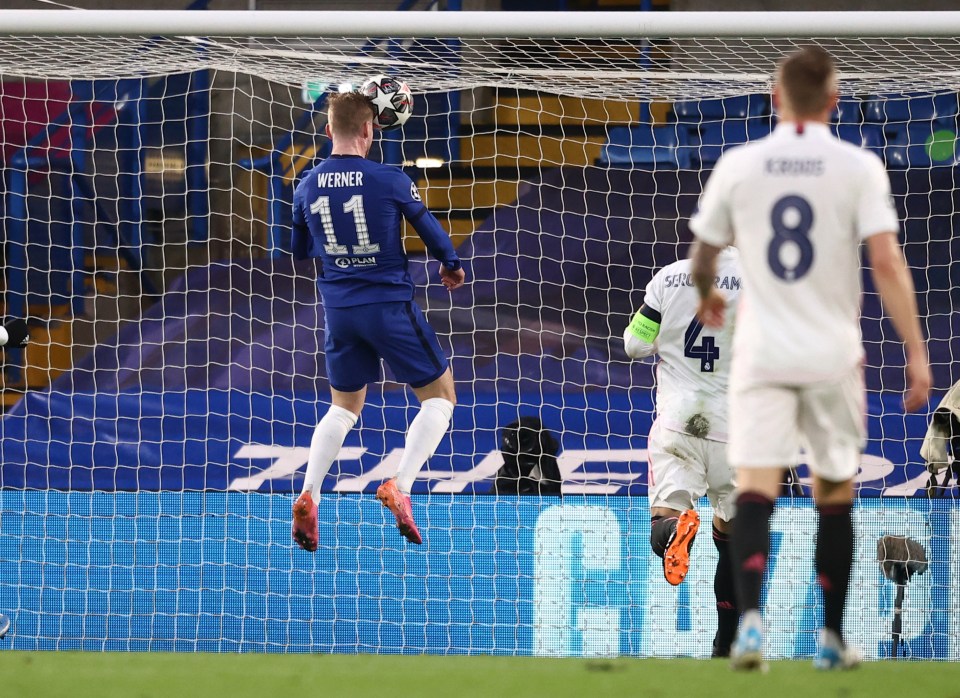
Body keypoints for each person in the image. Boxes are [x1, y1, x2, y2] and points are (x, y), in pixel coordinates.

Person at [689, 46, 931, 671]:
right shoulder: (858, 166)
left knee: (754, 490)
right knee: (833, 494)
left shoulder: (741, 164)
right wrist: (915, 349)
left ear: (775, 99)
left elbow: (704, 253)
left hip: (762, 355)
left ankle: (747, 628)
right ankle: (829, 637)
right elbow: (884, 263)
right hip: (830, 356)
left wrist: (710, 290)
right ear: (833, 100)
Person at [288, 91, 465, 550]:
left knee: (343, 407)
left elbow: (297, 250)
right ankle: (399, 485)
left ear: (328, 132)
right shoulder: (390, 179)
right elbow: (428, 229)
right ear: (370, 130)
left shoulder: (305, 184)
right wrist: (450, 262)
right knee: (440, 397)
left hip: (339, 310)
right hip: (388, 306)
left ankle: (310, 493)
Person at [623, 248, 742, 658]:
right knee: (731, 538)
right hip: (736, 429)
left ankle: (675, 532)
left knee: (665, 516)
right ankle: (725, 645)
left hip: (678, 423)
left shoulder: (667, 278)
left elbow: (634, 346)